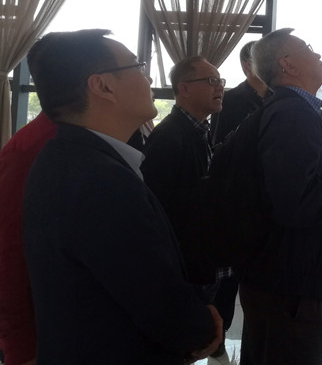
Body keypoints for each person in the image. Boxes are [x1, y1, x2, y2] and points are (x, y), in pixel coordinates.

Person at [22, 29, 221, 364]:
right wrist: (201, 328)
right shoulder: (102, 181)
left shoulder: (63, 158)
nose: (149, 79)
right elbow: (155, 298)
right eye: (138, 67)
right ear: (103, 86)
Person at [237, 29, 322, 365]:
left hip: (281, 275)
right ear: (287, 65)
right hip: (290, 281)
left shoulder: (288, 109)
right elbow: (293, 199)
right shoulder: (293, 113)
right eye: (308, 48)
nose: (317, 54)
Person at [141, 57, 225, 292]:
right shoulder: (169, 138)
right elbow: (156, 210)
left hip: (201, 261)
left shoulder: (198, 131)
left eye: (220, 81)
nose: (220, 88)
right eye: (211, 81)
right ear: (184, 89)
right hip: (183, 270)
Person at [208, 41, 268, 346]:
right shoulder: (231, 100)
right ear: (247, 65)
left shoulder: (279, 98)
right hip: (239, 201)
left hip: (269, 201)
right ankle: (217, 338)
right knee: (228, 283)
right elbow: (218, 148)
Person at [0, 110, 56, 365]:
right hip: (43, 340)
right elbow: (8, 253)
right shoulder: (34, 146)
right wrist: (21, 349)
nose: (150, 90)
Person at [211, 40, 268, 145]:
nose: (269, 65)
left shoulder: (281, 97)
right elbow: (218, 143)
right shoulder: (227, 100)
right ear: (246, 65)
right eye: (263, 60)